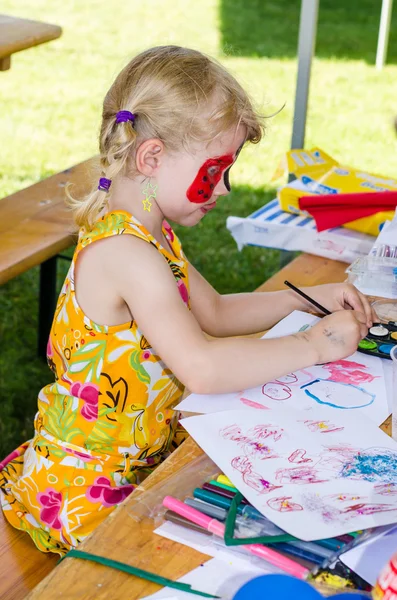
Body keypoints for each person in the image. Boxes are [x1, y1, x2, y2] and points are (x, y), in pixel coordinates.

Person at [0, 45, 374, 555]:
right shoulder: (125, 253)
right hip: (89, 491)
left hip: (139, 462)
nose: (224, 187)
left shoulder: (151, 236)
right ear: (151, 156)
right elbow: (200, 366)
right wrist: (313, 345)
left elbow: (216, 313)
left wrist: (311, 300)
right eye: (214, 169)